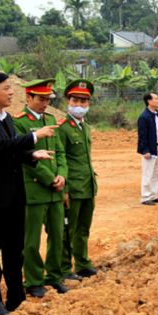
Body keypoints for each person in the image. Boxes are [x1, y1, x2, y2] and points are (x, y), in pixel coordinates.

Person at [0, 71, 57, 315]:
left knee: (14, 250)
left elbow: (11, 151)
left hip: (14, 195)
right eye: (6, 88)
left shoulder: (5, 118)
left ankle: (16, 299)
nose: (11, 92)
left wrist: (31, 154)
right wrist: (35, 136)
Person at [13, 79, 69, 297]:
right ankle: (34, 280)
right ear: (29, 98)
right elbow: (24, 158)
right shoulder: (19, 123)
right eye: (41, 99)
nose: (45, 103)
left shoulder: (51, 120)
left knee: (57, 235)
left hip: (56, 190)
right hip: (35, 189)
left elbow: (61, 153)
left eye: (48, 99)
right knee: (31, 239)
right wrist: (49, 178)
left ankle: (54, 276)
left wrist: (62, 176)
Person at [58, 79, 99, 279]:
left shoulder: (86, 127)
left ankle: (82, 263)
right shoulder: (63, 128)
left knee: (84, 227)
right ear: (68, 101)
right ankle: (65, 267)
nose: (80, 105)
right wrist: (64, 189)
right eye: (75, 101)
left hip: (87, 186)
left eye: (84, 102)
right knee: (68, 229)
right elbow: (61, 158)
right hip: (72, 187)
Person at [138, 92, 158, 206]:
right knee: (148, 173)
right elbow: (142, 135)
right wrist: (145, 150)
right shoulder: (144, 117)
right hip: (150, 149)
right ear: (149, 101)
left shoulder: (156, 114)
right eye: (156, 98)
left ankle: (153, 195)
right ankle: (145, 196)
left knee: (157, 173)